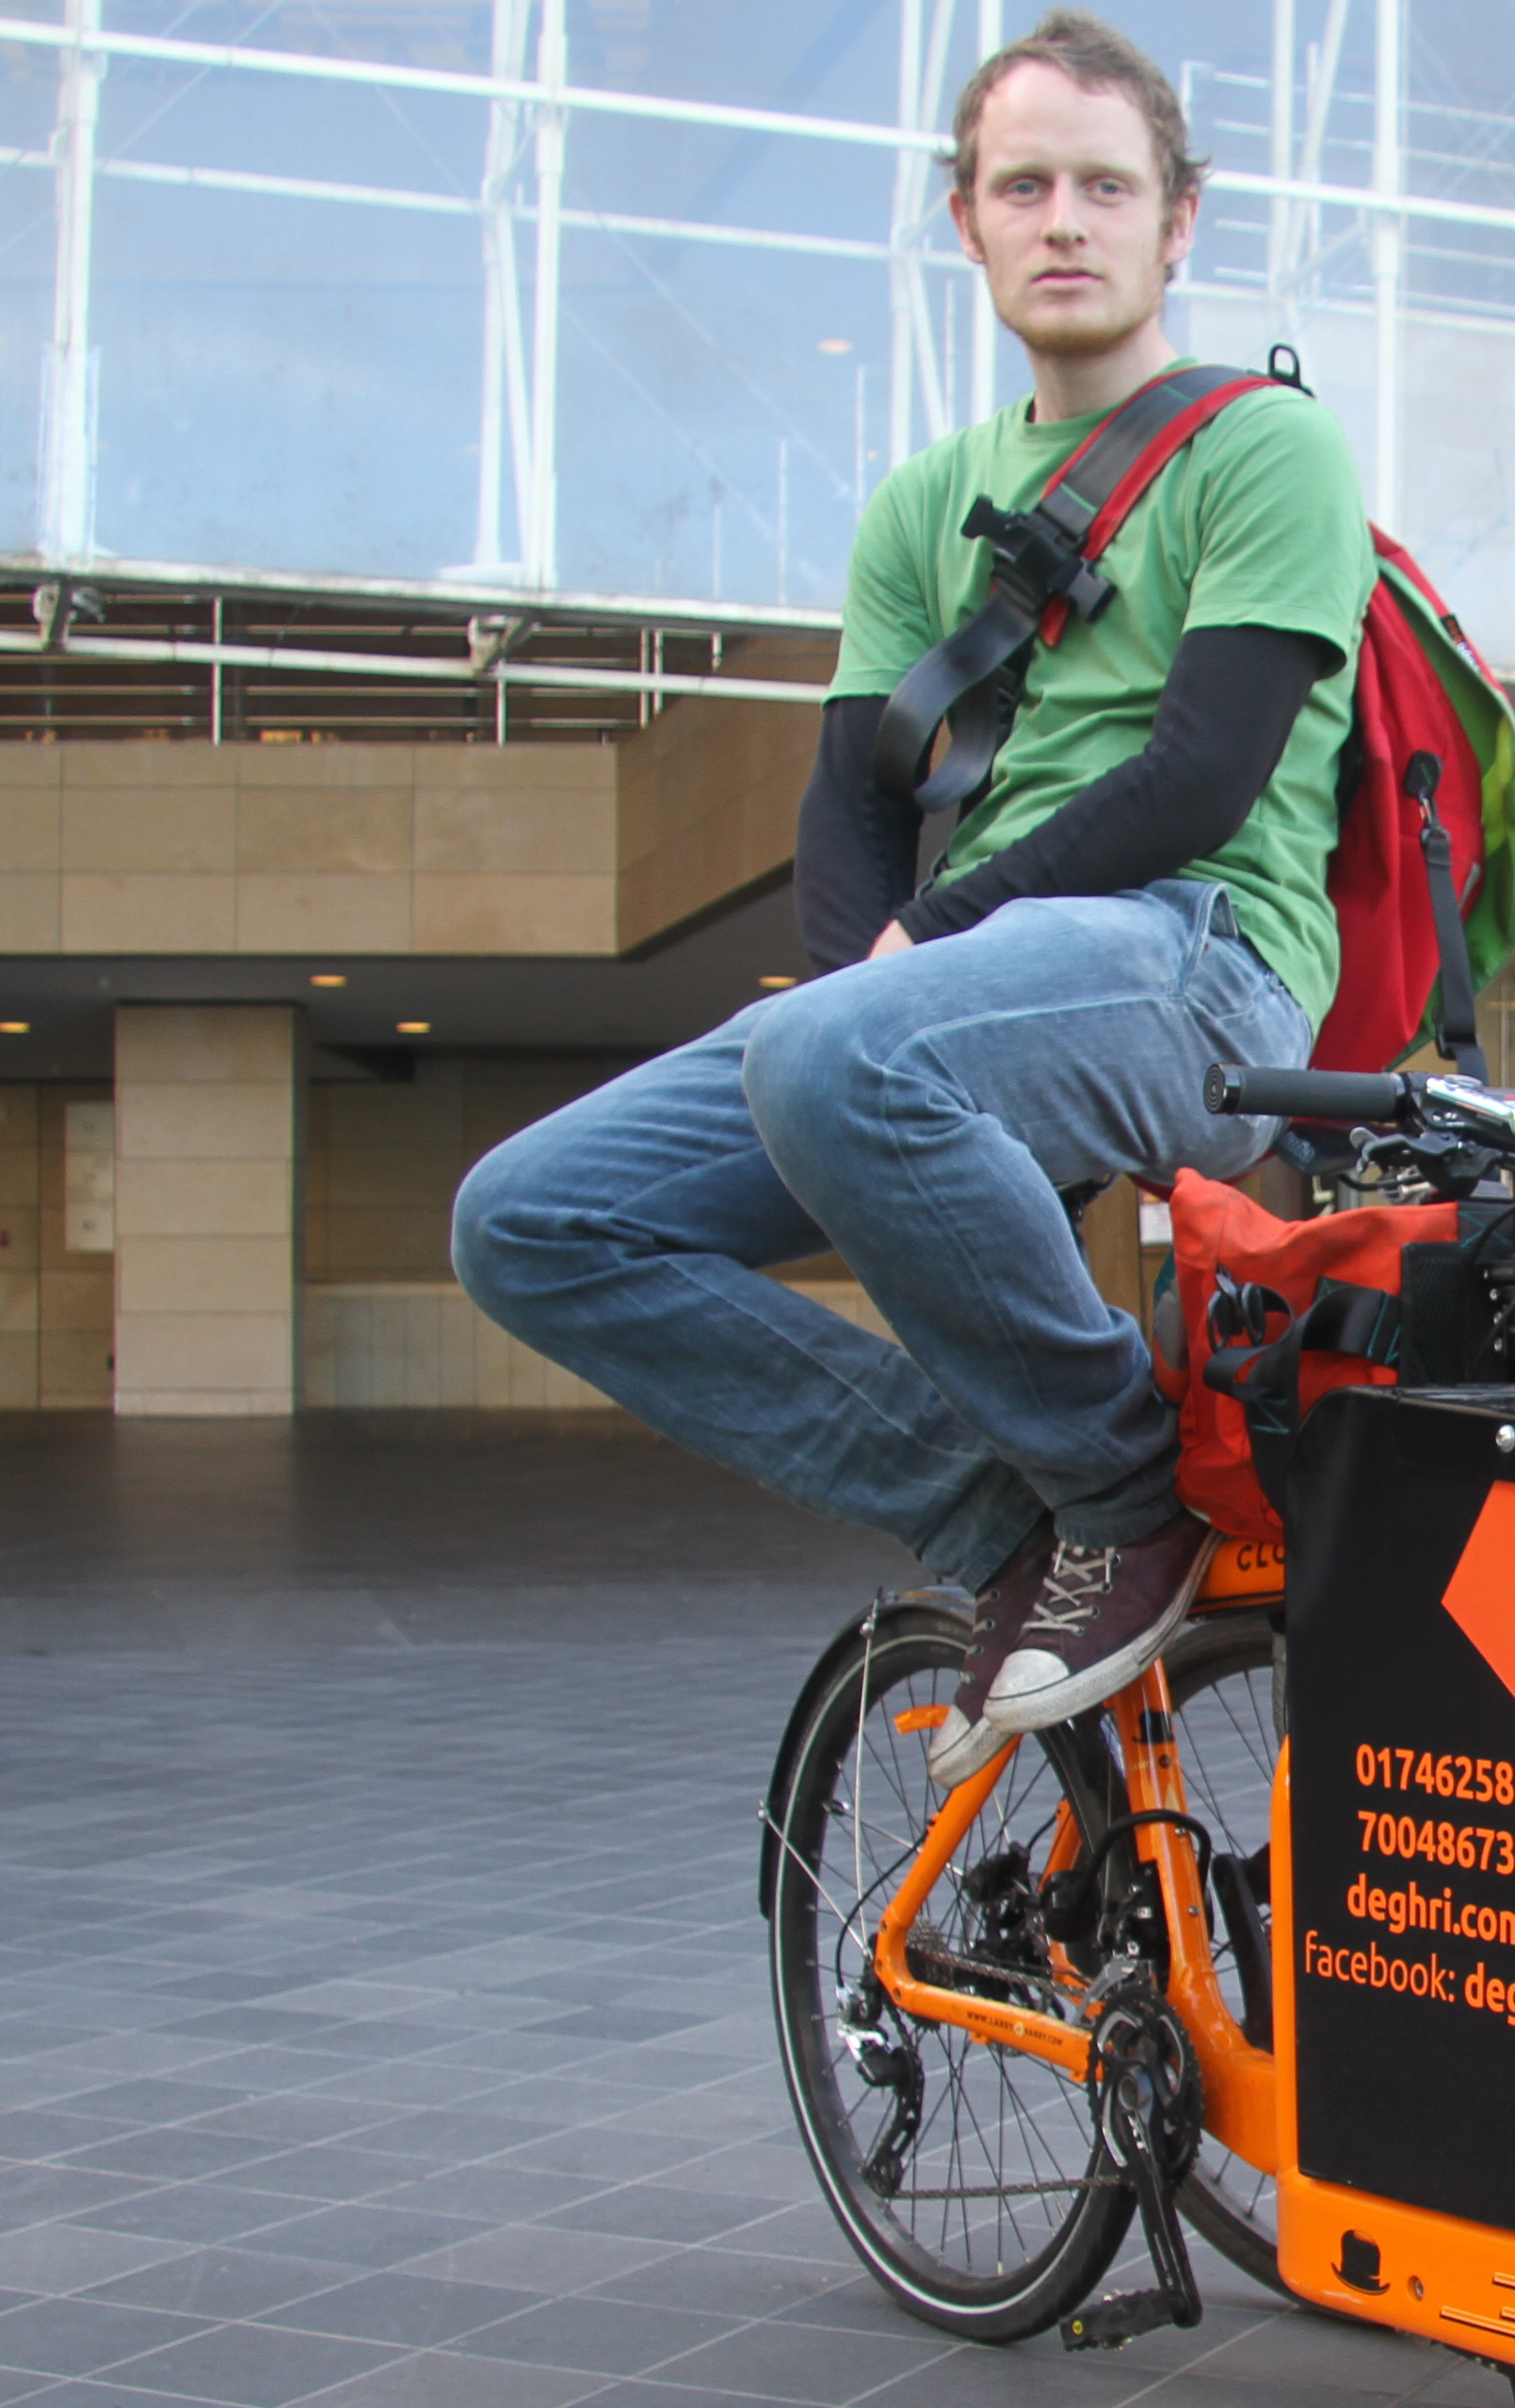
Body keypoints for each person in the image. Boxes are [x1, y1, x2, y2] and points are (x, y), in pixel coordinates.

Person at [457, 9, 1362, 1759]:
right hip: (984, 984)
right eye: (1022, 185)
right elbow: (854, 800)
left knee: (836, 1051)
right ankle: (992, 1510)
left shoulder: (1268, 450)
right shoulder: (922, 503)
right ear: (965, 220)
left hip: (1204, 957)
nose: (1064, 219)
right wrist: (856, 977)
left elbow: (1201, 779)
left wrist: (901, 967)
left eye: (1105, 185)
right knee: (527, 1220)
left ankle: (1119, 1488)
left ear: (1179, 218)